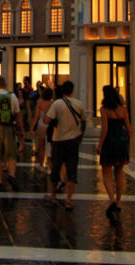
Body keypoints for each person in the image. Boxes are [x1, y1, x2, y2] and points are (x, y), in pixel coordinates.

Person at [44, 79, 86, 210]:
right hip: (73, 140)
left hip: (58, 140)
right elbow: (83, 122)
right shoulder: (79, 104)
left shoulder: (57, 104)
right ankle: (68, 200)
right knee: (72, 171)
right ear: (72, 90)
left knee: (56, 168)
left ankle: (53, 196)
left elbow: (46, 120)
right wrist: (80, 135)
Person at [97, 85, 131, 219]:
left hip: (110, 143)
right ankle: (119, 201)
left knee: (106, 172)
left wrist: (100, 145)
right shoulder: (123, 110)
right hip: (121, 143)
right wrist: (129, 145)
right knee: (119, 173)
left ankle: (111, 198)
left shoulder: (104, 110)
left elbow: (104, 129)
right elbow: (129, 128)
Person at [31, 86, 54, 171]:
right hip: (50, 125)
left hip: (41, 125)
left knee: (41, 146)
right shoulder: (52, 103)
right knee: (49, 146)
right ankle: (49, 165)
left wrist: (32, 127)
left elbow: (36, 116)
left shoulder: (40, 103)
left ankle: (41, 164)